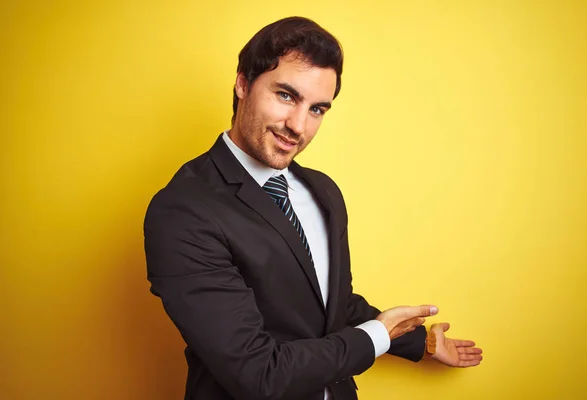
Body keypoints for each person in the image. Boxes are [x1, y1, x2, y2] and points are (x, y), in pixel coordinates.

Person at [143, 16, 483, 400]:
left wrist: (419, 344)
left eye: (318, 109)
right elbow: (258, 374)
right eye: (286, 95)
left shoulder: (321, 191)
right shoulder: (182, 211)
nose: (298, 126)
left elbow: (328, 303)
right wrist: (375, 336)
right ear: (242, 83)